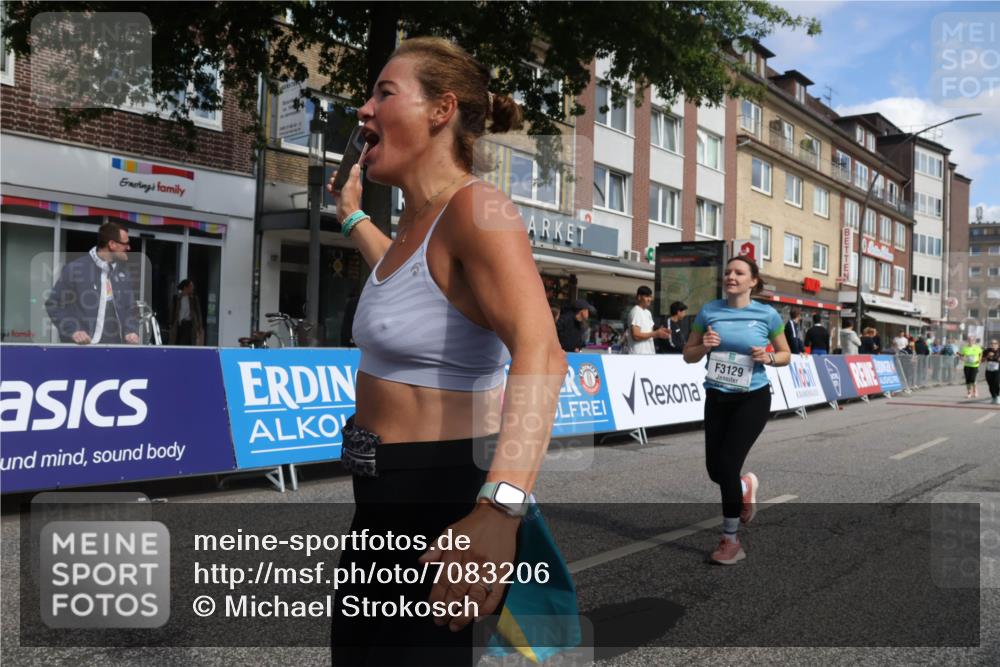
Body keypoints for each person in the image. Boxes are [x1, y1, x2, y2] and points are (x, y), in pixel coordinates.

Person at [326, 37, 568, 665]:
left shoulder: (478, 207)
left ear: (441, 110)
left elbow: (542, 354)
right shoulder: (415, 225)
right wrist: (352, 216)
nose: (364, 111)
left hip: (439, 502)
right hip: (377, 500)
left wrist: (500, 509)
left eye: (385, 93)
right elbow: (408, 285)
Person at [683, 255, 791, 566]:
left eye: (739, 272)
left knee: (727, 465)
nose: (731, 276)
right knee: (715, 471)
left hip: (752, 398)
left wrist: (768, 357)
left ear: (752, 281)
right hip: (716, 396)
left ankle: (730, 540)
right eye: (728, 271)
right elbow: (688, 355)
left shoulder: (767, 315)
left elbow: (786, 354)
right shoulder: (709, 311)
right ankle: (745, 486)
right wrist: (703, 345)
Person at [44, 221, 140, 345]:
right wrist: (74, 330)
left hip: (116, 350)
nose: (129, 248)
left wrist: (131, 331)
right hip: (83, 351)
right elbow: (54, 304)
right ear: (111, 244)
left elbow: (131, 309)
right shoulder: (76, 269)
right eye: (125, 243)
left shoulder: (124, 273)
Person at [625, 286, 666, 354]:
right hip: (638, 355)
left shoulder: (648, 312)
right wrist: (655, 333)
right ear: (639, 297)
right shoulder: (636, 311)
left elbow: (650, 333)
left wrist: (660, 333)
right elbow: (636, 336)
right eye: (647, 296)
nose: (649, 299)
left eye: (650, 296)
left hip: (649, 354)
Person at [168, 279, 204, 346]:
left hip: (189, 325)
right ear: (185, 288)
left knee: (186, 343)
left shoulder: (194, 299)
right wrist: (171, 324)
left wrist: (200, 327)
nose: (192, 288)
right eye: (191, 286)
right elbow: (172, 312)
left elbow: (198, 313)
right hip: (178, 325)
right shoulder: (176, 298)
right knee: (176, 343)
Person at [983, 339, 1000, 405]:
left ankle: (998, 396)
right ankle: (993, 396)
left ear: (998, 344)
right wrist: (987, 356)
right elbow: (982, 360)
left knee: (996, 383)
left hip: (997, 370)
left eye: (995, 343)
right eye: (992, 343)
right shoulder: (987, 350)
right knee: (990, 384)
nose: (993, 345)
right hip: (989, 370)